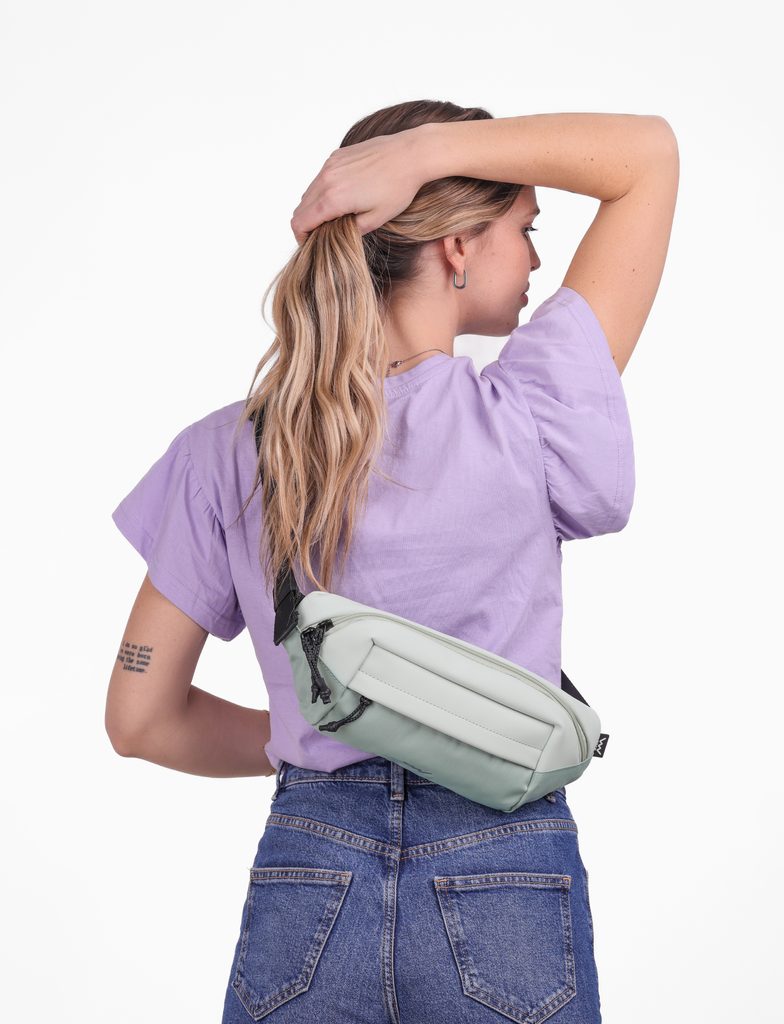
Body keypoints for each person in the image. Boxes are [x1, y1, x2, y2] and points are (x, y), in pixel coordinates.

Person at [106, 102, 679, 1022]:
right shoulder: (530, 414)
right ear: (456, 248)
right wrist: (427, 153)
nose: (536, 259)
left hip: (310, 870)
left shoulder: (227, 452)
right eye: (526, 230)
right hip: (502, 867)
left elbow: (140, 718)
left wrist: (329, 725)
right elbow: (646, 155)